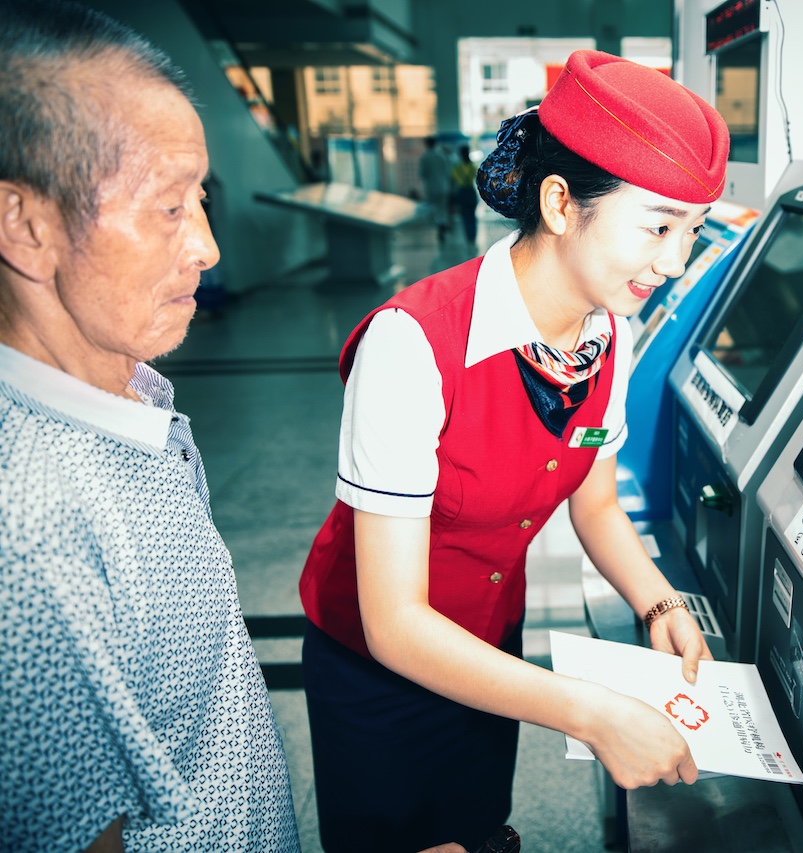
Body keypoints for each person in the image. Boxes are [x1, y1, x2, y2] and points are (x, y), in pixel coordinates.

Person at [299, 49, 729, 851]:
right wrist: (591, 709)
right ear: (562, 203)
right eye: (658, 227)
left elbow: (593, 497)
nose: (674, 262)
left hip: (491, 653)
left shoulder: (609, 334)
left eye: (693, 230)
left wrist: (659, 601)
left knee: (472, 826)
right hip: (377, 667)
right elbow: (393, 621)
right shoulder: (415, 343)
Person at [0, 2, 301, 850]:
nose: (206, 245)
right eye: (168, 208)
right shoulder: (30, 536)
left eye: (201, 198)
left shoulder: (128, 389)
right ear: (25, 225)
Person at [420, 136, 453, 242]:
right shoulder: (441, 156)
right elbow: (448, 172)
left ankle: (439, 226)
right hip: (443, 187)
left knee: (434, 209)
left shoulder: (425, 157)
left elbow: (423, 174)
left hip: (432, 187)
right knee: (442, 208)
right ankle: (442, 224)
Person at [451, 142, 481, 245]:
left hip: (462, 193)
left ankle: (468, 237)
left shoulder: (457, 168)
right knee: (472, 216)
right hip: (471, 192)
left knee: (465, 217)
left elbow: (454, 181)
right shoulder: (473, 167)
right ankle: (473, 236)